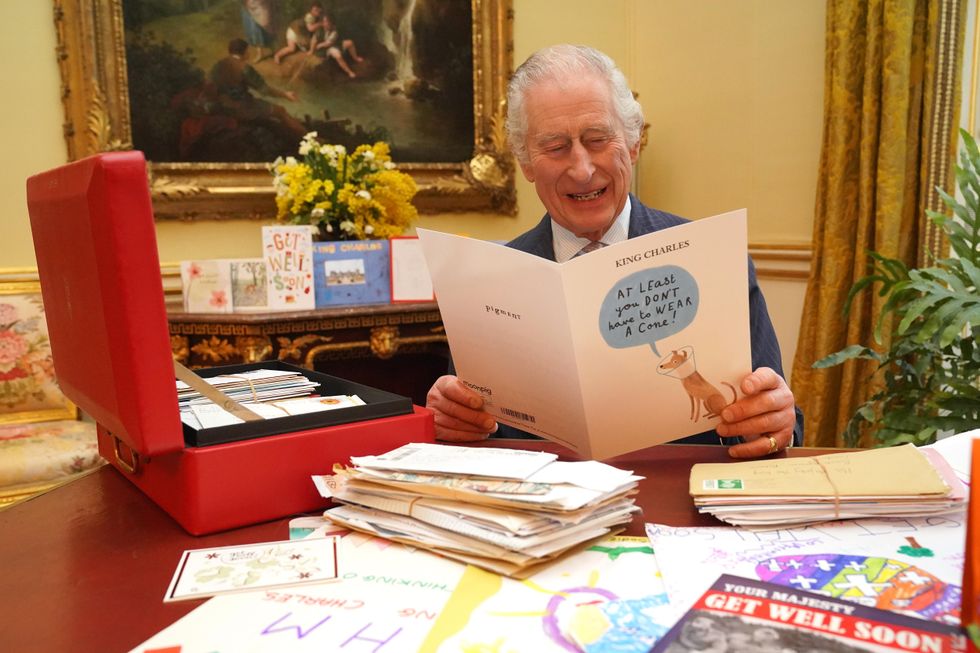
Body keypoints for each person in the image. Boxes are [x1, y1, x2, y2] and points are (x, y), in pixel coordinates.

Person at [425, 44, 803, 459]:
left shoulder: (715, 260)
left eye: (597, 139)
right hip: (545, 516)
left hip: (680, 505)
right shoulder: (489, 280)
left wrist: (775, 424)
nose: (582, 169)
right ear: (526, 163)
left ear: (634, 143)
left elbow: (780, 427)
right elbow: (471, 435)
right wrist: (449, 420)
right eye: (555, 147)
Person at [209, 38, 307, 140]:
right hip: (243, 107)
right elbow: (264, 90)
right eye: (248, 50)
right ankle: (311, 139)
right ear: (245, 51)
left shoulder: (217, 66)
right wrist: (285, 95)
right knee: (280, 111)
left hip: (222, 106)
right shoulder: (244, 68)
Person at [274, 1, 327, 65]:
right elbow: (310, 28)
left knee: (303, 47)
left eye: (319, 11)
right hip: (294, 31)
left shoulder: (316, 18)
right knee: (291, 48)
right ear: (312, 10)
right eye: (315, 10)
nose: (317, 12)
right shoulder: (309, 16)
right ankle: (277, 55)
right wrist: (320, 24)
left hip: (299, 33)